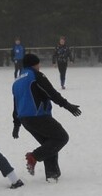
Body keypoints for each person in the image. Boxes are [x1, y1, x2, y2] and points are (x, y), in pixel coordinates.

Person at [12, 54, 81, 183]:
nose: (39, 66)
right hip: (38, 116)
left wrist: (16, 124)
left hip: (25, 119)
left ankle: (52, 174)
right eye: (38, 64)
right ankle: (33, 157)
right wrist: (67, 105)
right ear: (34, 64)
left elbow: (15, 104)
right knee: (61, 137)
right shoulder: (36, 76)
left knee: (49, 143)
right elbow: (51, 93)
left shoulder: (17, 81)